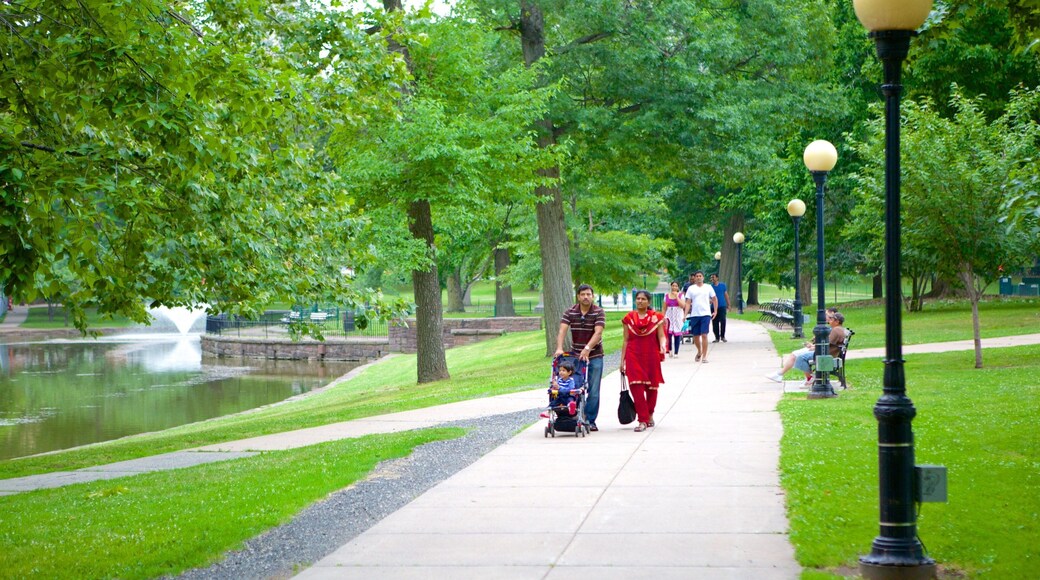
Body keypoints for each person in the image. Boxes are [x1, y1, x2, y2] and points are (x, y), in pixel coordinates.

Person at [555, 284, 606, 431]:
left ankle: (590, 419)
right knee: (575, 386)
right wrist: (559, 348)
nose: (586, 297)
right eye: (583, 294)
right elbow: (562, 330)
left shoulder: (598, 312)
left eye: (589, 294)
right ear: (578, 296)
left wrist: (587, 349)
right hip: (576, 356)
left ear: (592, 296)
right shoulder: (570, 312)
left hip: (595, 355)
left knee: (594, 389)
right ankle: (574, 415)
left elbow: (598, 333)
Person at [621, 290, 666, 432]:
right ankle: (642, 420)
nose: (640, 301)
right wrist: (622, 361)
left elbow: (661, 336)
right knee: (636, 387)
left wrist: (663, 345)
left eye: (643, 299)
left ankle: (650, 414)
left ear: (648, 302)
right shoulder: (629, 318)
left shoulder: (656, 318)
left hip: (651, 354)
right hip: (633, 354)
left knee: (652, 387)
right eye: (638, 299)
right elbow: (626, 340)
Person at [766, 311, 847, 384]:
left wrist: (815, 348)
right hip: (825, 352)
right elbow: (827, 344)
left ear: (837, 322)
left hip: (824, 355)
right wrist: (814, 346)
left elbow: (826, 344)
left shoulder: (836, 330)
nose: (829, 321)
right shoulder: (838, 329)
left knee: (800, 357)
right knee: (797, 355)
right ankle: (808, 377)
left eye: (832, 319)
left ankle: (810, 377)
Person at [683, 271, 717, 363]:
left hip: (705, 314)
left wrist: (715, 311)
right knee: (696, 336)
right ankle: (699, 351)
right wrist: (685, 315)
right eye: (697, 276)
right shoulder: (691, 289)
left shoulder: (708, 287)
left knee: (704, 335)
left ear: (703, 277)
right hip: (695, 314)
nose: (698, 277)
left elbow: (714, 299)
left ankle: (705, 356)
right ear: (695, 278)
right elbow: (688, 302)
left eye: (700, 276)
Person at [663, 281, 687, 357]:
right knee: (669, 334)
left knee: (677, 335)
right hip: (669, 316)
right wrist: (663, 317)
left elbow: (683, 306)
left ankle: (676, 352)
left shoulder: (681, 295)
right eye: (673, 286)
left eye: (676, 286)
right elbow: (664, 308)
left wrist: (677, 297)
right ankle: (670, 350)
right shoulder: (666, 296)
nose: (674, 287)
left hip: (678, 316)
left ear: (678, 287)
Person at [709, 273, 730, 343]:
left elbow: (726, 295)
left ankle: (723, 336)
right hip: (713, 307)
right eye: (711, 278)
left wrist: (728, 304)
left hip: (722, 306)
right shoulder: (710, 287)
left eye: (713, 277)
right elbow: (708, 296)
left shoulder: (722, 285)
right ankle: (717, 337)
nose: (712, 279)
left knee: (723, 321)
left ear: (717, 278)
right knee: (715, 322)